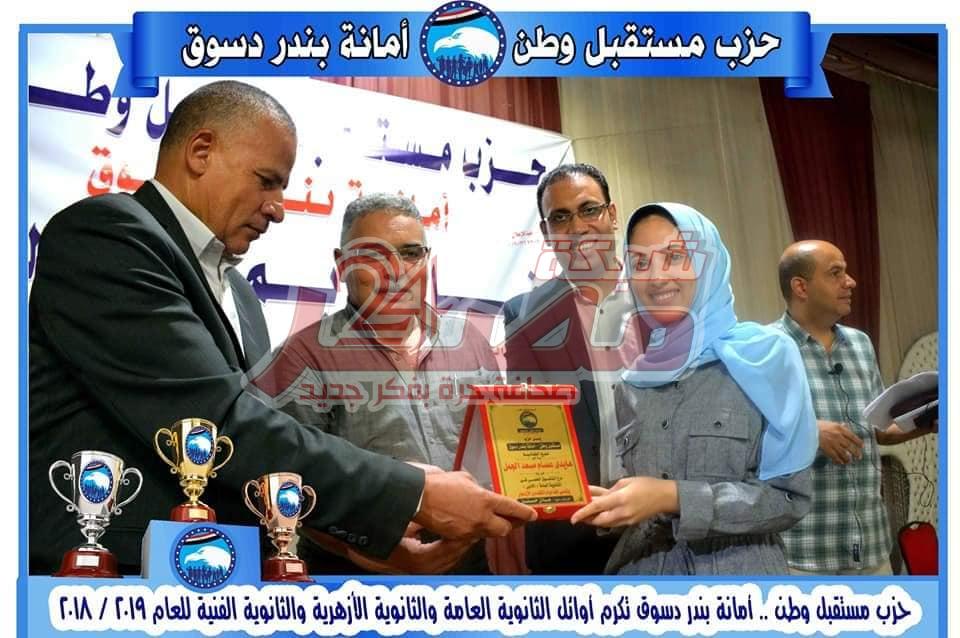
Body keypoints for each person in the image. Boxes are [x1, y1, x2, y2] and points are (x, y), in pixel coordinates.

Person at [29, 80, 535, 575]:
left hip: (225, 574)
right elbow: (217, 424)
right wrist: (409, 493)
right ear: (201, 152)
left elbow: (258, 460)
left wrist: (372, 538)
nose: (278, 209)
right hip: (110, 574)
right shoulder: (109, 237)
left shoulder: (243, 297)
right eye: (266, 180)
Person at [248, 193, 499, 573]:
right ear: (341, 264)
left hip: (471, 574)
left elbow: (501, 454)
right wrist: (366, 551)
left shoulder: (470, 343)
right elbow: (287, 483)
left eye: (411, 253)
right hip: (357, 580)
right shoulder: (303, 357)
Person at [570, 203, 816, 575]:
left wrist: (673, 498)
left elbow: (789, 498)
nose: (656, 278)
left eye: (674, 257)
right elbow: (647, 488)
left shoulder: (765, 357)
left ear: (708, 262)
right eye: (640, 263)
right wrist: (616, 505)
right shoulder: (633, 383)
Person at [772, 240, 937, 575]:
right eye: (836, 273)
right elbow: (746, 439)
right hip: (804, 552)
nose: (851, 282)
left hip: (873, 546)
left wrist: (928, 420)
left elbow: (877, 430)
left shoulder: (860, 343)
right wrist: (809, 432)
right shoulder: (765, 348)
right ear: (801, 287)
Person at [501, 163, 634, 573]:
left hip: (667, 523)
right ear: (546, 233)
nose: (577, 228)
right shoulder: (526, 315)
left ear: (612, 214)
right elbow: (532, 429)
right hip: (576, 531)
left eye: (589, 210)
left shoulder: (662, 297)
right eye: (560, 218)